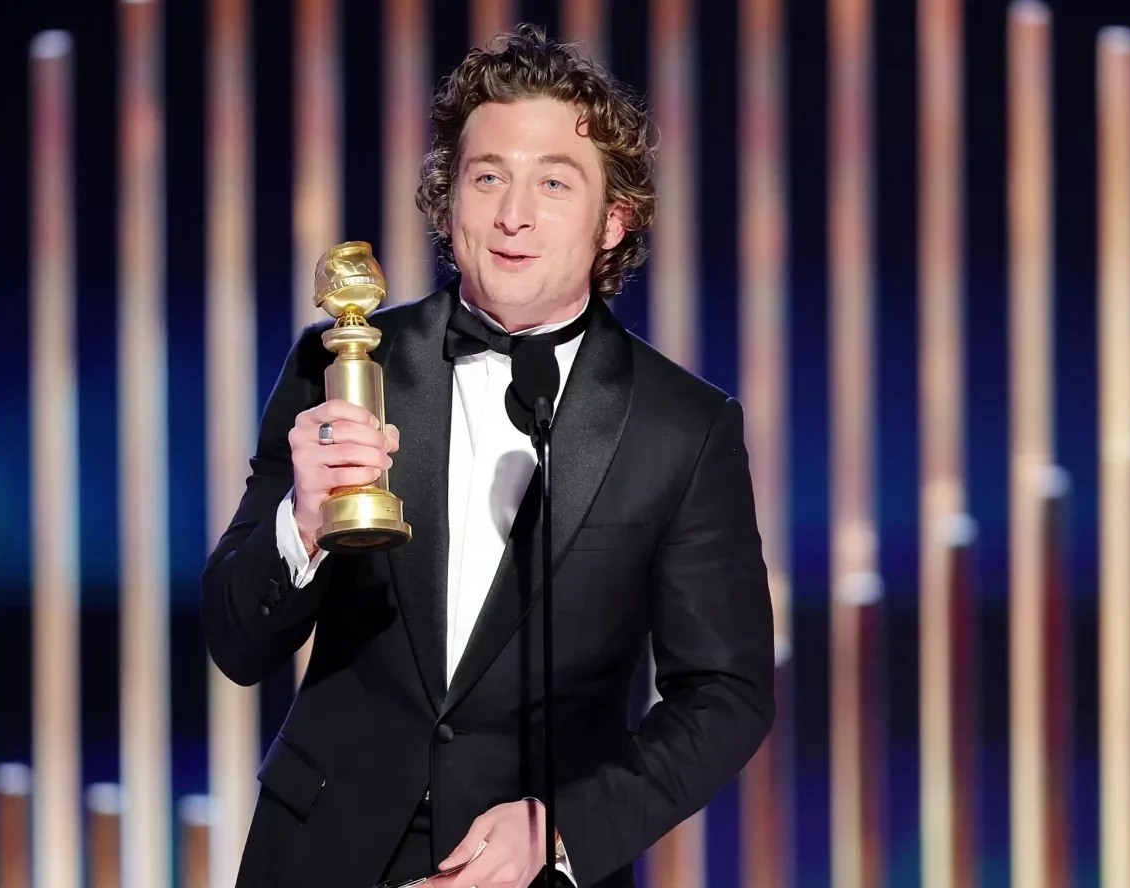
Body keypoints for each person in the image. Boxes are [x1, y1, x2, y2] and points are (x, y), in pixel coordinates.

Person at [202, 24, 775, 888]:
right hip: (318, 855)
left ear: (614, 220)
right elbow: (237, 644)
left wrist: (564, 827)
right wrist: (302, 526)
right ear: (448, 202)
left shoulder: (683, 429)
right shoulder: (342, 368)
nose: (514, 215)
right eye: (488, 178)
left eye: (554, 182)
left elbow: (726, 696)